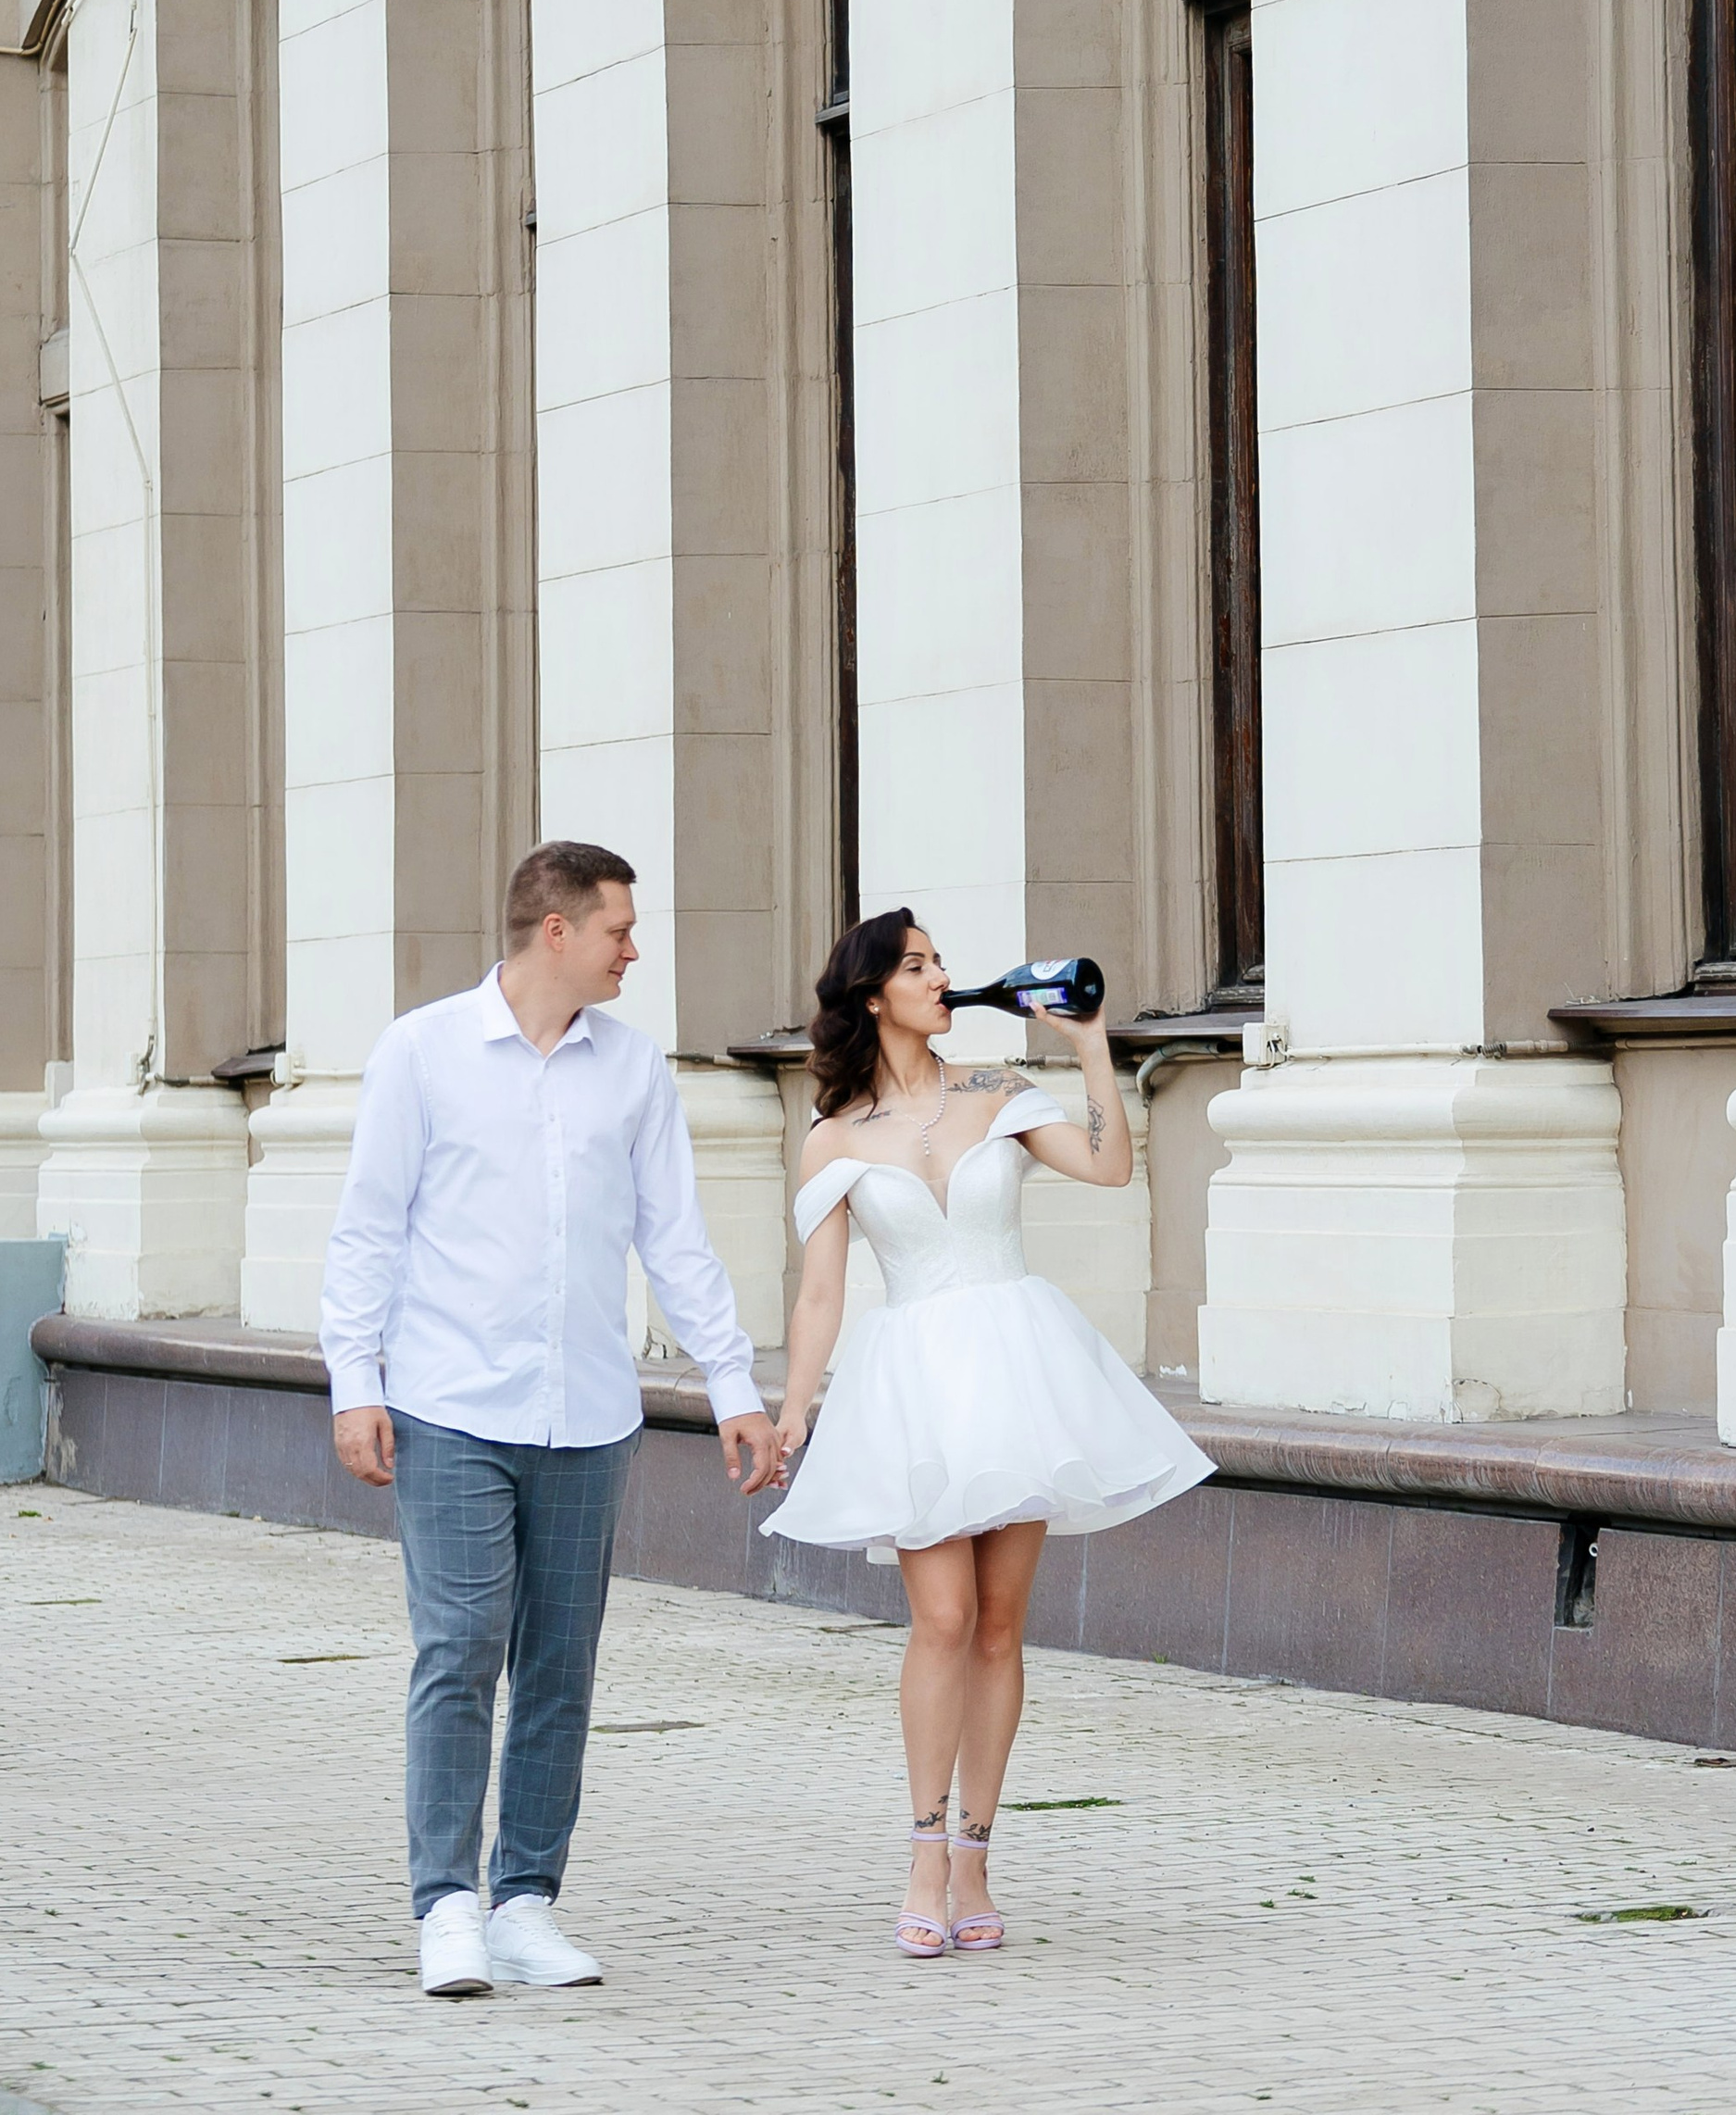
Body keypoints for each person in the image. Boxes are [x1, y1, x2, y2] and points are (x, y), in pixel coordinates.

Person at [320, 840, 779, 1999]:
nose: (636, 949)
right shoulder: (421, 1052)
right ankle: (446, 1908)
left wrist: (732, 1385)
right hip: (447, 1405)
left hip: (588, 1414)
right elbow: (369, 1227)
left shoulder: (631, 1071)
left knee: (561, 1666)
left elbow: (673, 1239)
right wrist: (353, 1381)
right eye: (621, 927)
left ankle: (525, 1901)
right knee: (461, 1649)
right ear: (557, 930)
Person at [765, 908, 1211, 1957]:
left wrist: (1092, 1050)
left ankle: (974, 1858)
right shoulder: (832, 1138)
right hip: (914, 1382)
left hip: (1016, 1370)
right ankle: (922, 1850)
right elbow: (821, 1294)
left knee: (1001, 1625)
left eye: (941, 964)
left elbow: (1106, 1170)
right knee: (944, 1619)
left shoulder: (997, 1094)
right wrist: (794, 1407)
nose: (943, 978)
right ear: (875, 994)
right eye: (918, 966)